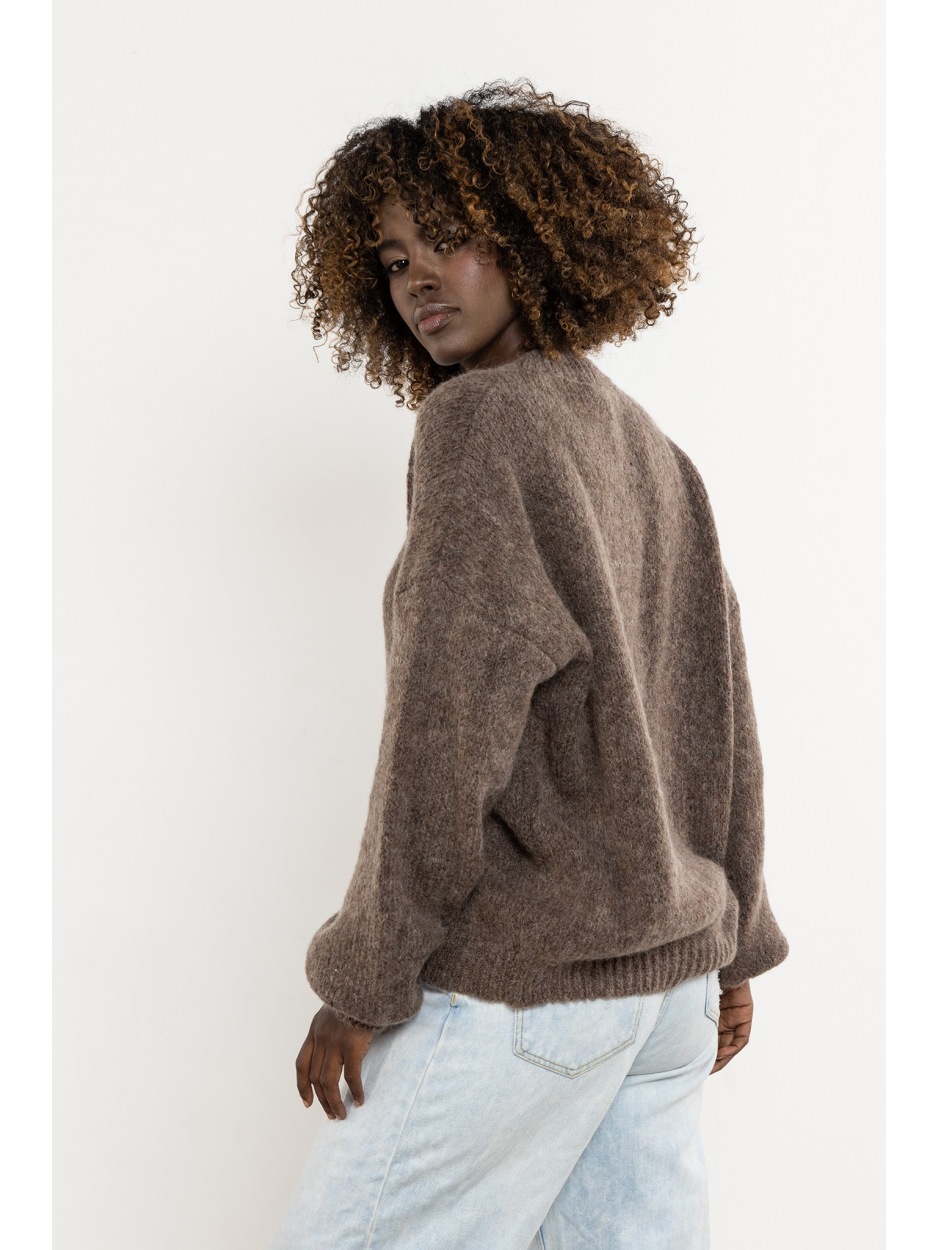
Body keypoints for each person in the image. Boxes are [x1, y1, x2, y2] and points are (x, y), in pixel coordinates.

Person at [269, 80, 788, 1250]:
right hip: (662, 997)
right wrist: (735, 943)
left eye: (449, 240)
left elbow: (446, 722)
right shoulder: (648, 446)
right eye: (393, 259)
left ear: (529, 236)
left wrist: (364, 977)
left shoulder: (479, 427)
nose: (418, 280)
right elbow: (720, 712)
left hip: (529, 990)